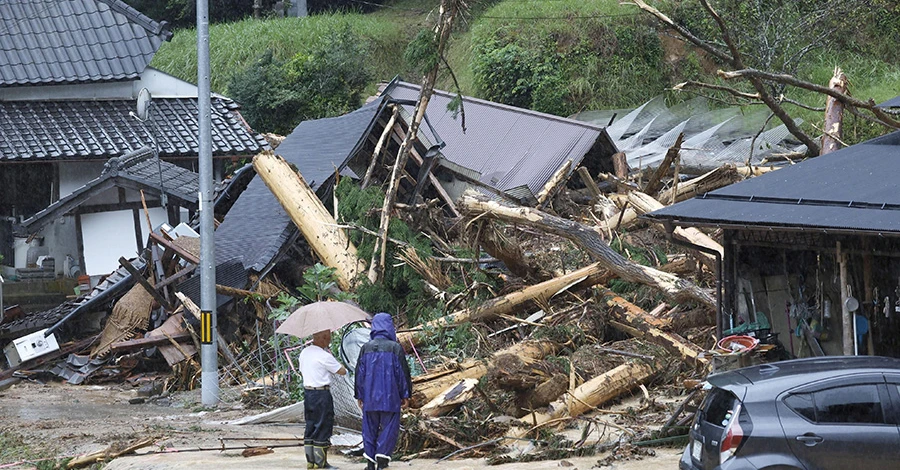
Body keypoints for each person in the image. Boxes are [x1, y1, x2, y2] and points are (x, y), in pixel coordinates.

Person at [354, 313, 412, 470]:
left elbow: (359, 373)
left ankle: (370, 463)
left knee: (369, 429)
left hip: (370, 398)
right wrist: (405, 394)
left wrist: (359, 395)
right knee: (389, 427)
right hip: (390, 397)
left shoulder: (365, 348)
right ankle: (382, 457)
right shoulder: (395, 348)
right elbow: (402, 373)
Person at [299, 329, 347, 469]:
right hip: (321, 394)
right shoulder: (324, 355)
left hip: (308, 393)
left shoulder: (304, 352)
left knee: (311, 425)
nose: (330, 341)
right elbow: (341, 371)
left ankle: (311, 462)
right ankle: (321, 463)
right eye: (329, 338)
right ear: (324, 338)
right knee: (323, 425)